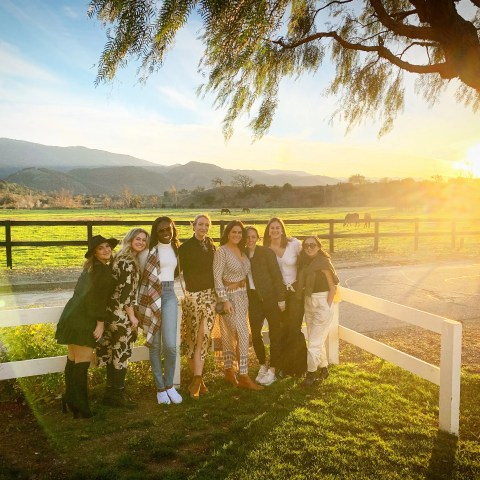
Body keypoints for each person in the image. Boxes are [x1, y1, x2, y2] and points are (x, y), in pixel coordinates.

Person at [55, 234, 118, 418]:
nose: (106, 250)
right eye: (101, 248)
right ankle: (82, 407)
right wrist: (100, 323)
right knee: (81, 364)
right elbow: (96, 299)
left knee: (73, 360)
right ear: (94, 253)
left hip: (71, 316)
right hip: (84, 319)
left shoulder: (90, 270)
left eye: (107, 246)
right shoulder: (101, 271)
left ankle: (70, 398)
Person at [96, 228, 149, 407]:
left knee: (113, 352)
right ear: (130, 238)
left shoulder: (119, 256)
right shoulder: (129, 262)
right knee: (122, 352)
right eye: (138, 238)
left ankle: (109, 395)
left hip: (111, 312)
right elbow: (126, 293)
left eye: (144, 240)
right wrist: (132, 317)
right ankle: (118, 396)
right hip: (121, 314)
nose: (141, 242)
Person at [136, 216, 183, 405]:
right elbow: (140, 277)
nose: (165, 233)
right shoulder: (147, 252)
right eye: (161, 231)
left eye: (168, 229)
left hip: (170, 294)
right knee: (155, 344)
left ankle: (170, 384)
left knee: (171, 345)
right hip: (150, 295)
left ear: (173, 229)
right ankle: (160, 388)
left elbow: (178, 272)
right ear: (156, 232)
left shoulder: (176, 249)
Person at [213, 220, 263, 390]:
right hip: (229, 299)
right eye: (234, 232)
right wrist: (224, 299)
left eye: (239, 233)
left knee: (230, 334)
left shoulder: (242, 251)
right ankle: (243, 375)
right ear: (228, 233)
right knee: (242, 334)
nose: (237, 235)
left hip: (243, 297)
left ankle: (228, 371)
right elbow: (217, 277)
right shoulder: (222, 252)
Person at [178, 214, 217, 399]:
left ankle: (197, 379)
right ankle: (197, 380)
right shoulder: (184, 248)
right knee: (192, 339)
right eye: (200, 224)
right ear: (193, 226)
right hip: (192, 297)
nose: (203, 228)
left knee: (203, 336)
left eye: (206, 225)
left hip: (210, 297)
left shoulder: (211, 245)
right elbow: (176, 273)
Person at [263, 217, 307, 377]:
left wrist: (302, 283)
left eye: (277, 227)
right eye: (272, 228)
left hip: (295, 292)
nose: (275, 230)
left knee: (294, 328)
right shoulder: (266, 249)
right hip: (278, 295)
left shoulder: (293, 244)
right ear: (268, 230)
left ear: (282, 229)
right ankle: (283, 366)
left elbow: (306, 261)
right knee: (281, 329)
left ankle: (300, 366)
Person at [296, 236, 339, 387]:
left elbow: (333, 287)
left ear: (319, 246)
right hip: (308, 302)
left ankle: (311, 374)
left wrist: (326, 306)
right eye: (306, 245)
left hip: (322, 302)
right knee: (316, 338)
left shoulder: (323, 262)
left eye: (312, 245)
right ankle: (324, 368)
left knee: (313, 342)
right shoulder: (304, 262)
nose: (309, 247)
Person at [245, 226, 286, 386]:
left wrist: (281, 298)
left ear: (258, 238)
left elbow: (276, 275)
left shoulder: (266, 253)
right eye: (247, 237)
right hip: (254, 299)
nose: (250, 240)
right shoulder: (242, 255)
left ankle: (273, 370)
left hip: (270, 298)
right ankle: (262, 365)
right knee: (255, 334)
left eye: (253, 237)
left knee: (275, 334)